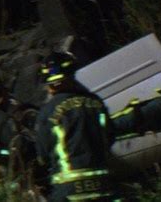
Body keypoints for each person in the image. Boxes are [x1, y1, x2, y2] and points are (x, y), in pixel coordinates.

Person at [35, 51, 115, 202]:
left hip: (67, 189)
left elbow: (42, 155)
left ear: (49, 84)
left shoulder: (47, 111)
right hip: (103, 186)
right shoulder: (96, 103)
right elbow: (110, 136)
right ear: (72, 74)